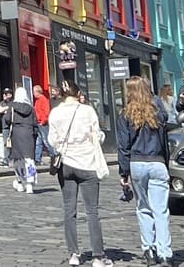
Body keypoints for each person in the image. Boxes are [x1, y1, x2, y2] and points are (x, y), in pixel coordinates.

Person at [49, 81, 111, 267]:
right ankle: (98, 257)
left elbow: (52, 140)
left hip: (66, 164)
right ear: (78, 94)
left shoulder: (56, 112)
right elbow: (98, 136)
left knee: (69, 211)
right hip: (87, 163)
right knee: (92, 211)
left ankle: (74, 254)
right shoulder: (87, 111)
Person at [117, 76, 174, 267]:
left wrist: (123, 173)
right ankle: (165, 253)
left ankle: (148, 250)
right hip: (157, 162)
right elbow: (166, 129)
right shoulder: (156, 110)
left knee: (143, 208)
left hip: (137, 163)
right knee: (161, 210)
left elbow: (123, 146)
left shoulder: (125, 114)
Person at [8, 87, 39, 194]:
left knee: (18, 160)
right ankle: (30, 184)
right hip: (28, 134)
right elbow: (35, 124)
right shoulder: (31, 108)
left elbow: (7, 120)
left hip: (16, 134)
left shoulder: (12, 106)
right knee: (29, 160)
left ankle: (20, 182)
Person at [0, 89, 14, 166]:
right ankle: (6, 160)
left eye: (6, 94)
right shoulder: (2, 103)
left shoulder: (13, 103)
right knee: (6, 143)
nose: (4, 95)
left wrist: (5, 109)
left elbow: (9, 111)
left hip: (12, 126)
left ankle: (11, 159)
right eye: (4, 94)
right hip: (5, 127)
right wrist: (5, 109)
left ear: (10, 95)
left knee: (14, 143)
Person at [33, 84, 52, 163]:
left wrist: (43, 121)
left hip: (42, 123)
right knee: (39, 141)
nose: (33, 93)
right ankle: (37, 159)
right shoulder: (37, 100)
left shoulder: (43, 99)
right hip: (39, 123)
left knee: (46, 141)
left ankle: (53, 155)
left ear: (38, 92)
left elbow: (46, 112)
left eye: (34, 92)